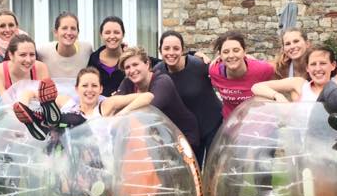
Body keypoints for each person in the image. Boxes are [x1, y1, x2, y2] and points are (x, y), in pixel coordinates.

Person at [251, 44, 337, 141]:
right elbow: (256, 87)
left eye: (323, 63)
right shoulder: (299, 84)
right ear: (307, 68)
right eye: (313, 64)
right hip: (312, 143)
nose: (318, 69)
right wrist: (278, 96)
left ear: (333, 65)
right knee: (330, 87)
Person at [12, 68, 154, 140]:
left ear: (100, 89)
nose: (90, 90)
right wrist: (24, 106)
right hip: (66, 156)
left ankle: (45, 123)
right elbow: (29, 92)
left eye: (94, 86)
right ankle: (41, 121)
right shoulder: (68, 103)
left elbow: (148, 96)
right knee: (68, 116)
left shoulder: (106, 106)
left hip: (95, 160)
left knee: (76, 119)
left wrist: (121, 114)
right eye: (85, 85)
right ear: (77, 89)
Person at [153, 31, 222, 166]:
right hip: (188, 131)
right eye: (166, 48)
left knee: (212, 168)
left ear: (183, 50)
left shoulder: (199, 65)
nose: (171, 52)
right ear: (160, 51)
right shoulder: (157, 72)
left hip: (212, 125)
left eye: (176, 48)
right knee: (191, 170)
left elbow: (223, 70)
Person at [117, 46, 200, 152]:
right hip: (159, 138)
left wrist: (123, 112)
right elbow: (115, 102)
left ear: (147, 64)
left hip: (183, 137)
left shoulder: (163, 81)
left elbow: (149, 109)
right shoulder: (128, 82)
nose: (132, 70)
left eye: (135, 64)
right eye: (127, 67)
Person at [208, 32, 276, 118]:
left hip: (257, 120)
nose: (231, 55)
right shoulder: (214, 71)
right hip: (231, 123)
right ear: (220, 55)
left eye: (236, 50)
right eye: (225, 52)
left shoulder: (263, 69)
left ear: (244, 52)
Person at [38, 12, 92, 79]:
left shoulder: (87, 49)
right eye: (64, 28)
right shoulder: (42, 51)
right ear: (55, 32)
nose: (69, 33)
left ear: (78, 33)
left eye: (73, 28)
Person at [88, 16, 127, 95]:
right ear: (101, 35)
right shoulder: (93, 59)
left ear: (123, 34)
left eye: (116, 32)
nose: (112, 36)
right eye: (107, 33)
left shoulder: (130, 59)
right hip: (99, 105)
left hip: (126, 105)